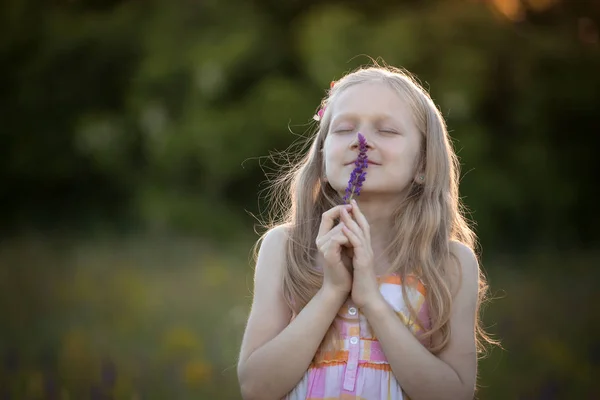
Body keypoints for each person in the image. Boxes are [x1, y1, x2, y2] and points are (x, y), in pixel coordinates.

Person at [237, 64, 497, 400]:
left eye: (387, 131)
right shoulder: (286, 248)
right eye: (344, 129)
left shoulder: (447, 262)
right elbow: (256, 388)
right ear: (322, 159)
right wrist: (332, 291)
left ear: (422, 164)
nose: (362, 142)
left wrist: (371, 302)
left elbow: (453, 394)